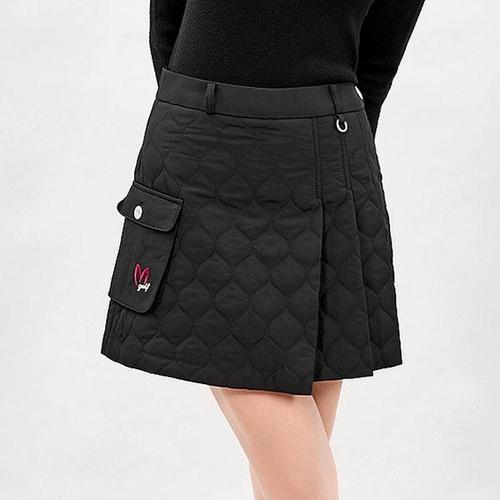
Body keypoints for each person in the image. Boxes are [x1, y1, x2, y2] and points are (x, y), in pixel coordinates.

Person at [101, 1, 425, 498]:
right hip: (217, 144)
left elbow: (381, 49)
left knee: (293, 473)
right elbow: (168, 20)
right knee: (290, 467)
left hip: (317, 147)